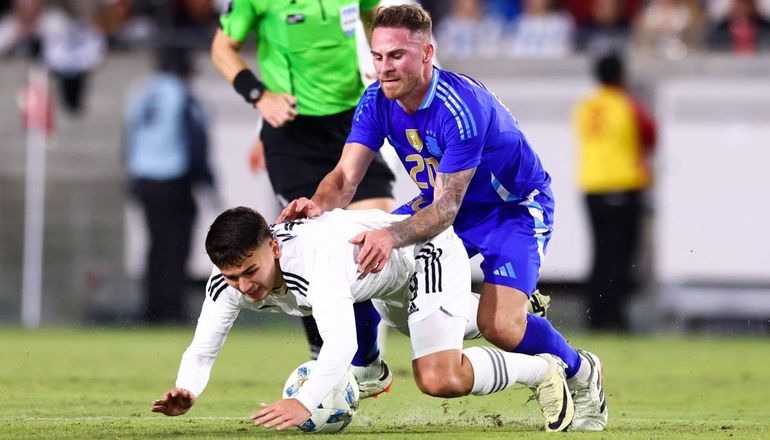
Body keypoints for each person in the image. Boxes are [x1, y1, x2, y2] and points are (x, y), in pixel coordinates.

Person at [278, 4, 607, 431]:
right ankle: (367, 366)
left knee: (502, 328)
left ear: (427, 53)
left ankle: (581, 371)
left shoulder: (459, 107)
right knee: (350, 251)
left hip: (510, 210)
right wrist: (318, 205)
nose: (384, 67)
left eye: (397, 55)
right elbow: (343, 177)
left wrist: (391, 236)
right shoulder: (376, 99)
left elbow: (447, 209)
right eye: (378, 56)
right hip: (441, 201)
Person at [151, 207, 575, 432]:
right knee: (447, 327)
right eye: (232, 277)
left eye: (250, 271)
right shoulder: (226, 283)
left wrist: (304, 401)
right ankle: (502, 308)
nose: (244, 286)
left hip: (423, 252)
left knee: (438, 377)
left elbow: (341, 344)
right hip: (382, 284)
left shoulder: (313, 262)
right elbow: (202, 349)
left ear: (274, 248)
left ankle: (542, 370)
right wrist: (188, 388)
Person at [210, 0, 397, 360]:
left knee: (375, 236)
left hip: (353, 121)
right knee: (310, 243)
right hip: (293, 132)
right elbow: (222, 48)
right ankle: (322, 357)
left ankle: (369, 364)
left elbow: (375, 16)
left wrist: (382, 60)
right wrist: (259, 96)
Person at [124, 45, 215, 324]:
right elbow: (195, 139)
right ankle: (171, 309)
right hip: (174, 175)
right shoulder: (183, 95)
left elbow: (128, 136)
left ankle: (151, 308)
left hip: (144, 176)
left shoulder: (142, 93)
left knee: (155, 243)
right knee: (176, 244)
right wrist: (206, 179)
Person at [572, 52, 656, 331]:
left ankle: (595, 315)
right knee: (621, 256)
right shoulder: (629, 105)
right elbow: (651, 135)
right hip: (623, 185)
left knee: (599, 253)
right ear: (621, 75)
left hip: (591, 186)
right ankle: (615, 317)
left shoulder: (585, 106)